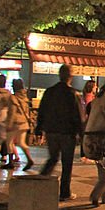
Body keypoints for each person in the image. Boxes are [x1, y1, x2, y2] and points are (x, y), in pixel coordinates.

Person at [36, 65, 84, 201]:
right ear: (71, 76)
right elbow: (79, 116)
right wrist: (81, 133)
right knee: (67, 163)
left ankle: (39, 183)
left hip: (51, 131)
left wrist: (39, 128)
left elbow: (42, 110)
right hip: (67, 133)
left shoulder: (50, 92)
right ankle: (65, 192)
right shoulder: (73, 94)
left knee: (52, 158)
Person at [3, 79, 34, 171]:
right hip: (24, 123)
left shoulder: (13, 98)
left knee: (9, 142)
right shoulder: (25, 97)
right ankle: (29, 159)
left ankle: (10, 162)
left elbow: (12, 112)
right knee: (21, 143)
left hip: (15, 123)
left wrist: (9, 124)